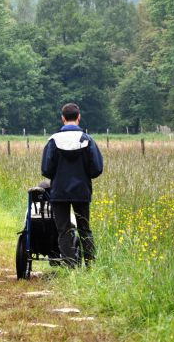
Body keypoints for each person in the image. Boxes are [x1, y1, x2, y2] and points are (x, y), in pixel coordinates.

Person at [41, 103, 103, 267]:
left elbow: (46, 169)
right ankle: (90, 265)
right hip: (82, 191)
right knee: (84, 229)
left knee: (63, 230)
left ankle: (70, 266)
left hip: (59, 192)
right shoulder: (87, 140)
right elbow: (97, 169)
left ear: (63, 118)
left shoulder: (53, 140)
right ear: (79, 117)